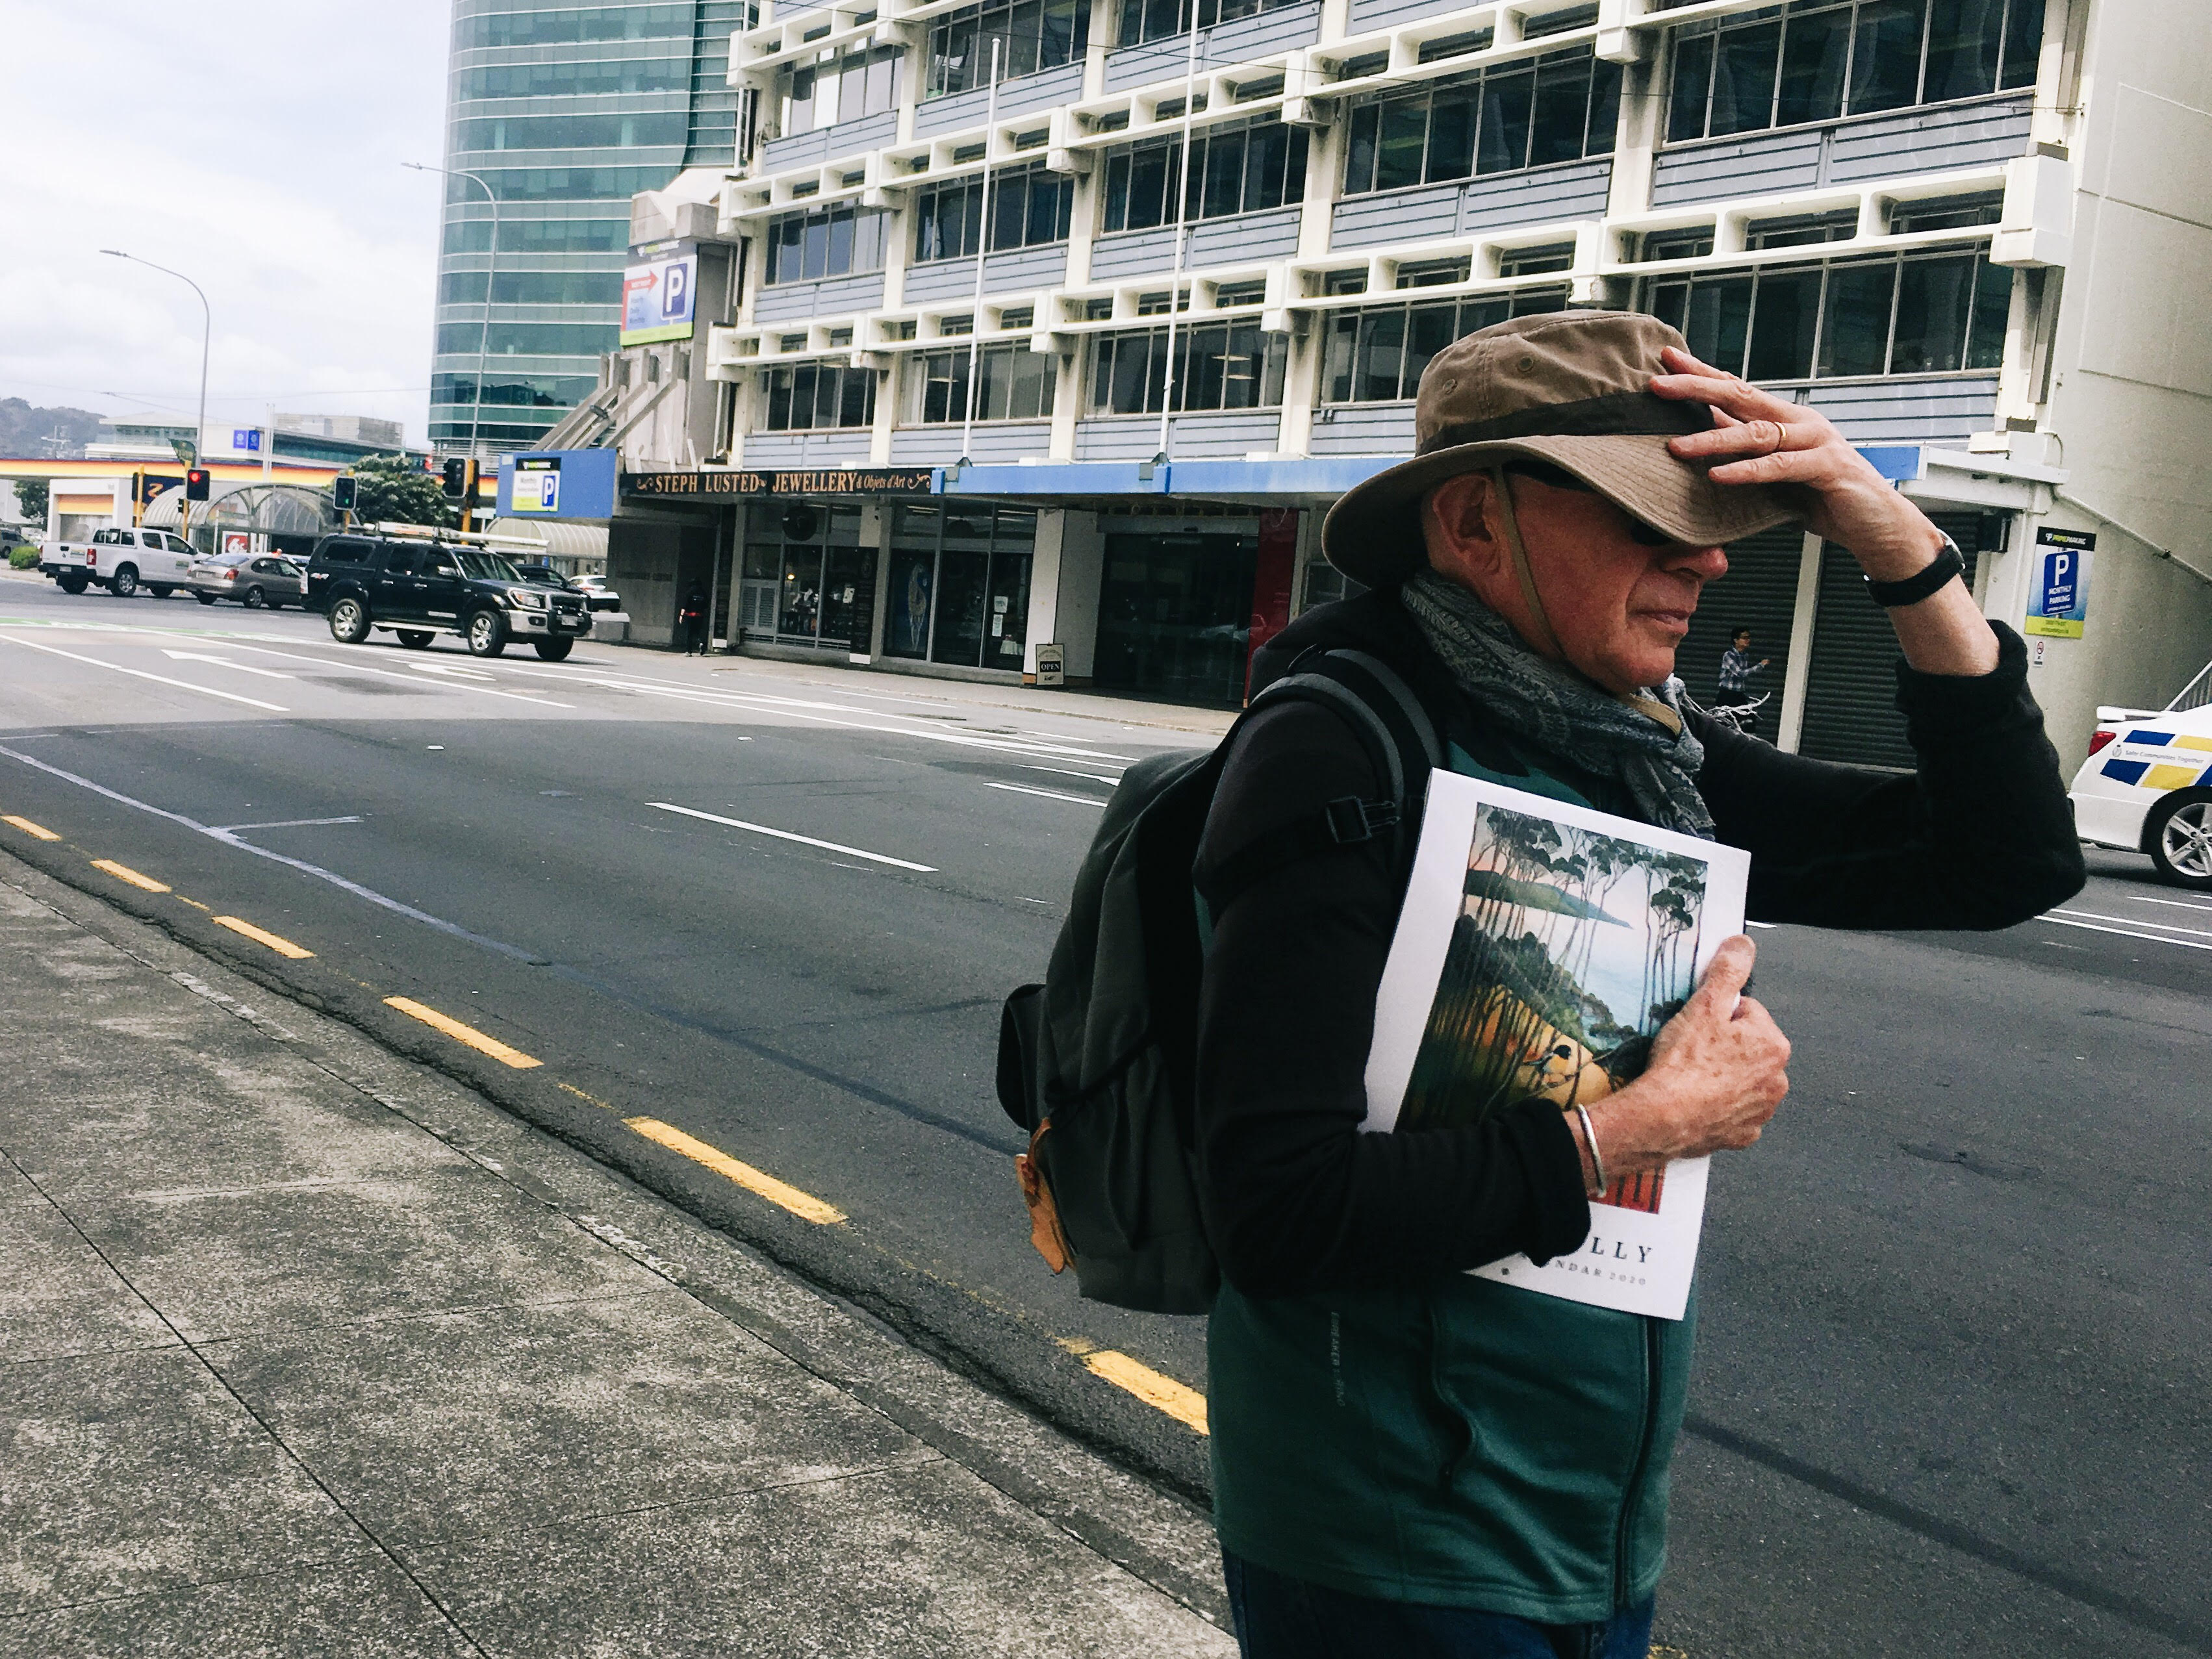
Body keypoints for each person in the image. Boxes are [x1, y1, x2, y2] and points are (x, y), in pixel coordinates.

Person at [1193, 311, 2083, 1658]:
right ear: (1473, 526)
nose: (1707, 560)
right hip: (1387, 1530)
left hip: (1584, 1518)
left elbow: (2001, 857)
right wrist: (1639, 1127)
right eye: (1648, 519)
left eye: (1709, 519)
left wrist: (1896, 547)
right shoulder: (1340, 744)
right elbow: (1276, 1206)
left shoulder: (1641, 751)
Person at [1716, 626, 1769, 710]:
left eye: (1749, 638)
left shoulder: (1744, 656)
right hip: (1727, 694)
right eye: (1744, 638)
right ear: (1736, 640)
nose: (1748, 640)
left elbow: (1745, 674)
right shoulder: (1729, 655)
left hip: (1739, 693)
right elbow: (1740, 673)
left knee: (1749, 718)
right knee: (1728, 720)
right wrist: (1759, 666)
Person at [679, 584, 709, 655]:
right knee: (698, 632)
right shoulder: (703, 593)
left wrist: (681, 615)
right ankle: (701, 643)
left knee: (689, 634)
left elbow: (685, 605)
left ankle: (689, 651)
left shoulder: (689, 592)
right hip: (700, 615)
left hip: (690, 615)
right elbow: (706, 605)